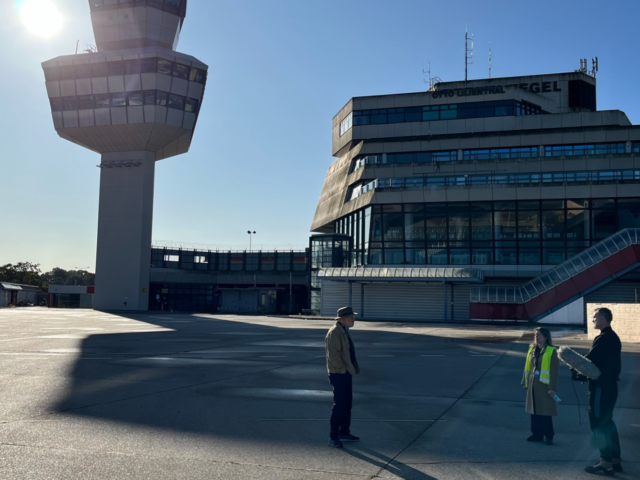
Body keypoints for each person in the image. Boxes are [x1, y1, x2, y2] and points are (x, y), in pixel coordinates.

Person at [572, 308, 623, 475]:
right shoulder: (613, 337)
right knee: (608, 423)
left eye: (594, 317)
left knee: (598, 424)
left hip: (600, 388)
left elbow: (589, 360)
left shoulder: (603, 338)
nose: (592, 320)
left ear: (602, 318)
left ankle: (605, 462)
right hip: (611, 388)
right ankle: (615, 459)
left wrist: (576, 370)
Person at [325, 306, 360, 448]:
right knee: (339, 405)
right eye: (351, 317)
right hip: (339, 373)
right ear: (343, 319)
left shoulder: (345, 331)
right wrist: (342, 371)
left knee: (347, 404)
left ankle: (344, 432)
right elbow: (333, 356)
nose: (354, 320)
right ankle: (333, 436)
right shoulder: (334, 332)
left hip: (346, 372)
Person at [522, 327, 560, 445]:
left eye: (538, 335)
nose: (536, 337)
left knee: (545, 412)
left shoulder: (551, 351)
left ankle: (549, 435)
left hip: (544, 385)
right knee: (534, 411)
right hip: (533, 384)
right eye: (535, 335)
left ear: (546, 337)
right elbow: (527, 367)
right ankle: (537, 434)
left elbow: (555, 372)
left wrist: (552, 388)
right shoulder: (532, 349)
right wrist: (525, 381)